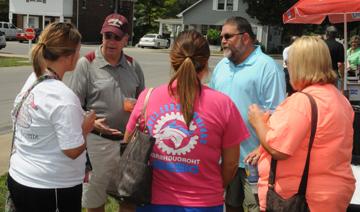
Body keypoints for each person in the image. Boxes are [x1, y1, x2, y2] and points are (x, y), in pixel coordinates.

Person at [124, 30, 249, 212]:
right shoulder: (224, 104)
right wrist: (212, 186)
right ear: (206, 63)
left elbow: (128, 144)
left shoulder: (147, 98)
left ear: (171, 59)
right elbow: (231, 163)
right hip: (204, 203)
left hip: (152, 200)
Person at [248, 36, 356, 212]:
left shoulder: (301, 101)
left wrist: (258, 122)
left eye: (289, 62)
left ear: (299, 65)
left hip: (301, 198)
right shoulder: (340, 99)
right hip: (330, 195)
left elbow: (278, 149)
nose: (287, 67)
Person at [7, 22, 96, 212]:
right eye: (78, 51)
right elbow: (72, 150)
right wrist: (85, 129)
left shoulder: (35, 78)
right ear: (70, 56)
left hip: (22, 176)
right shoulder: (62, 96)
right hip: (50, 187)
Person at [67, 13, 145, 212]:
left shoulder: (133, 65)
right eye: (107, 35)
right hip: (97, 143)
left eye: (117, 37)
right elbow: (72, 106)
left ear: (126, 39)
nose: (111, 41)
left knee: (128, 200)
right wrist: (90, 122)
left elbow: (143, 103)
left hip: (128, 144)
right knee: (95, 201)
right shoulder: (87, 64)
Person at [209, 16, 286, 212]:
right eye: (221, 37)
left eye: (228, 36)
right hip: (225, 157)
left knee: (255, 208)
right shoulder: (221, 66)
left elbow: (277, 113)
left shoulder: (267, 67)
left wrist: (262, 147)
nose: (223, 41)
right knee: (231, 205)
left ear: (245, 38)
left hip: (254, 158)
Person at [324, 26, 345, 90]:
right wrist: (342, 76)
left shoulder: (321, 44)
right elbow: (340, 64)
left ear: (327, 34)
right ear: (336, 34)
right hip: (333, 72)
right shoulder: (339, 46)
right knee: (333, 92)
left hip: (321, 72)